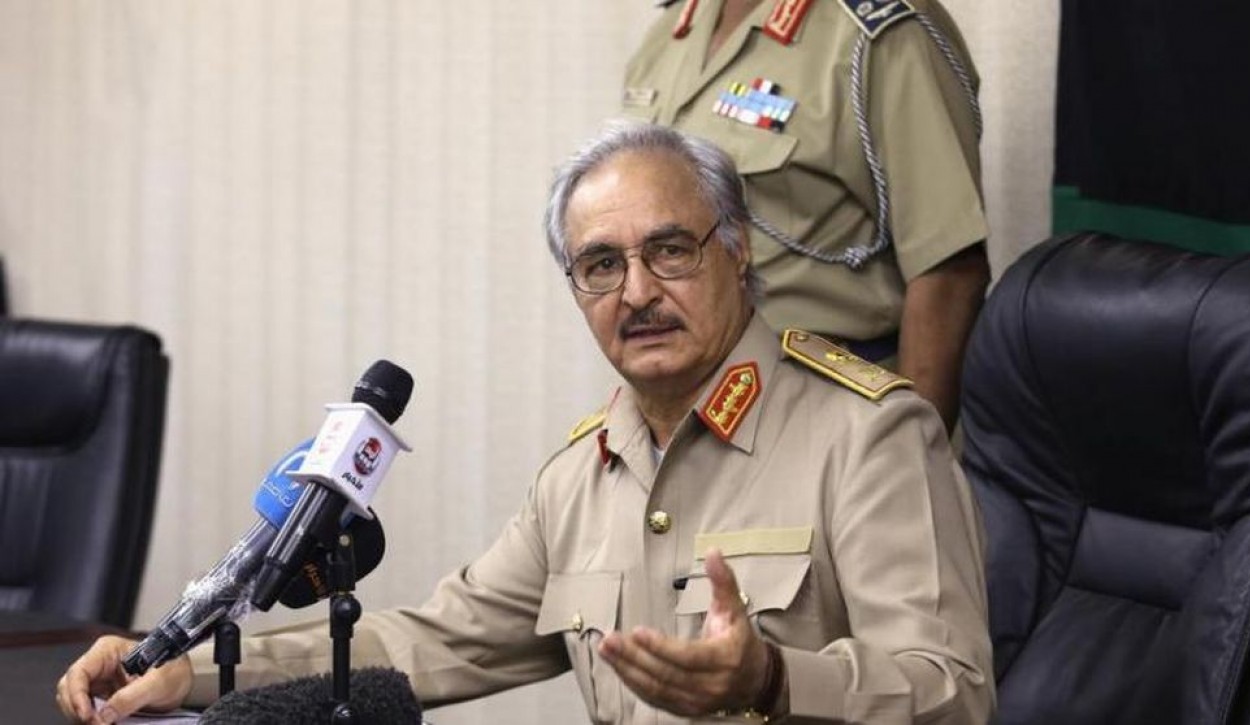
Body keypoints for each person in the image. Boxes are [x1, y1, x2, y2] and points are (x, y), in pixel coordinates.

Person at [56, 123, 992, 724]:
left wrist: (773, 680)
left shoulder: (867, 435)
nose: (637, 292)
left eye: (669, 250)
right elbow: (424, 642)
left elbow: (955, 691)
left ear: (738, 253)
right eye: (600, 265)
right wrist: (187, 667)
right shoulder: (580, 476)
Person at [623, 0, 991, 431]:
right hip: (686, 411)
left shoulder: (877, 33)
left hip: (826, 413)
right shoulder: (673, 30)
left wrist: (908, 449)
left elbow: (949, 270)